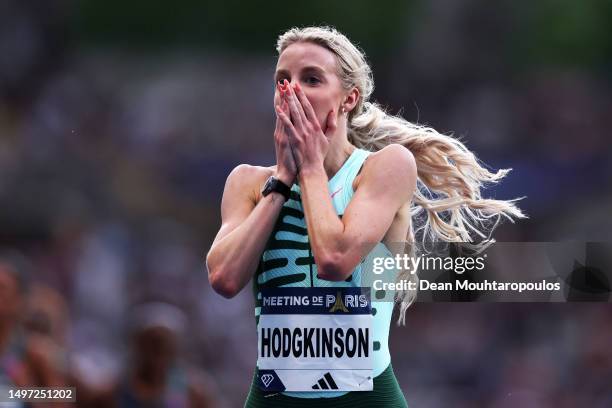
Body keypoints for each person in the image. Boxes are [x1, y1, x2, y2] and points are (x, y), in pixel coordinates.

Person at [206, 26, 525, 407]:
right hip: (274, 396)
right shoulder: (247, 183)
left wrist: (308, 168)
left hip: (366, 396)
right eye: (282, 80)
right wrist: (282, 180)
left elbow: (335, 260)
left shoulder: (383, 168)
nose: (292, 90)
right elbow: (224, 279)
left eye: (311, 79)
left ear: (348, 98)